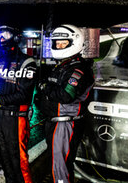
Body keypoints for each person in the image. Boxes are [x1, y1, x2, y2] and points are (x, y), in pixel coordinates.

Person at [0, 25, 37, 183]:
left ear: (16, 37)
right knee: (5, 161)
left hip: (16, 119)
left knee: (19, 162)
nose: (2, 37)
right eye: (0, 34)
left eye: (6, 33)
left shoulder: (27, 62)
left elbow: (24, 95)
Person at [40, 24, 95, 183]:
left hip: (65, 123)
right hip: (55, 123)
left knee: (61, 166)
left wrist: (45, 87)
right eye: (57, 43)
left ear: (74, 42)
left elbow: (65, 95)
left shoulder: (78, 69)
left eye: (63, 43)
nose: (59, 46)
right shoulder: (62, 66)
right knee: (56, 164)